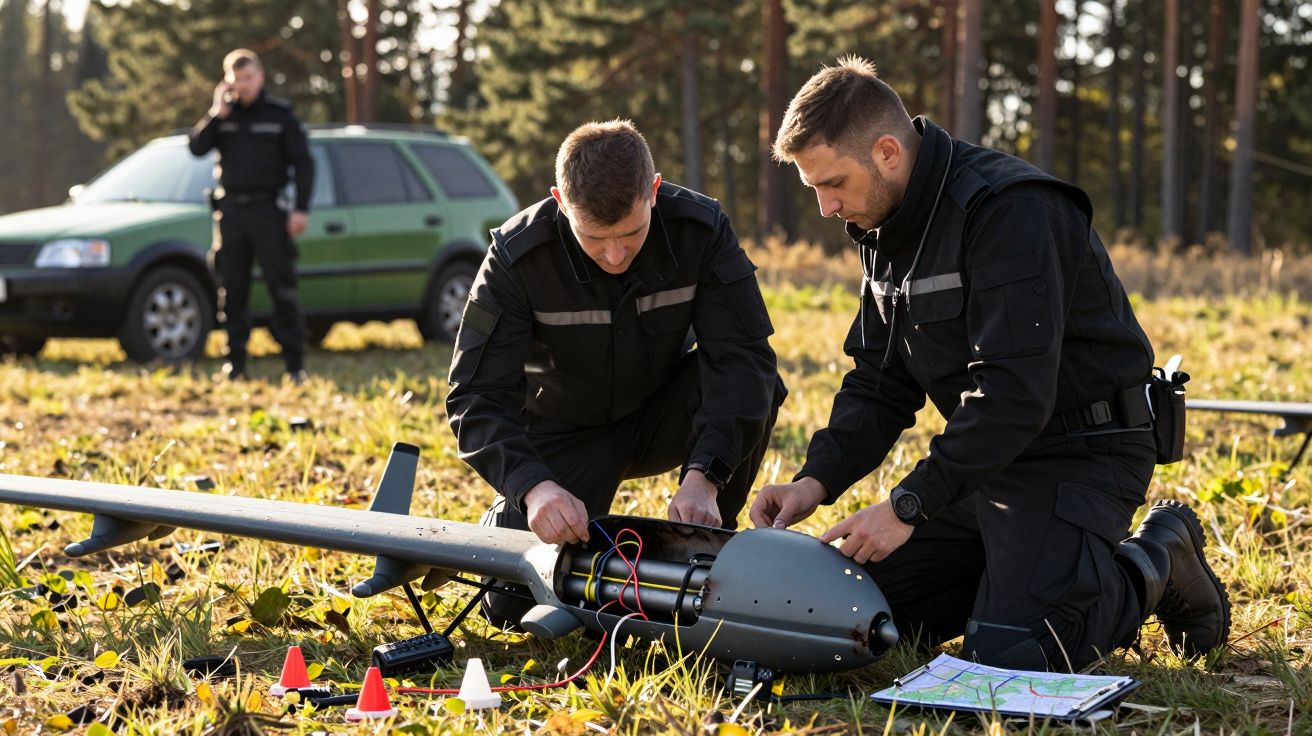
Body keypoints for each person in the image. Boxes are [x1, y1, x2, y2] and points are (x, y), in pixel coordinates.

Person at [749, 57, 1229, 670]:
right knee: (845, 615)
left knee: (1020, 652)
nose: (824, 207)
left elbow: (1015, 392)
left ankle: (1158, 556)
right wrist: (814, 481)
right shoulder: (886, 224)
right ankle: (1024, 575)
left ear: (888, 152)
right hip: (989, 464)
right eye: (815, 188)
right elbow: (879, 380)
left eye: (833, 183)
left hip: (1081, 450)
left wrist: (907, 507)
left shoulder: (1012, 210)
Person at [447, 120, 786, 627]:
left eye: (631, 233)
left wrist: (706, 477)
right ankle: (509, 516)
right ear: (560, 201)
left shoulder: (700, 229)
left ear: (654, 191)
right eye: (593, 237)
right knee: (512, 609)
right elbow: (474, 395)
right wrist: (532, 486)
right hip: (564, 432)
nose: (614, 254)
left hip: (662, 414)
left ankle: (714, 552)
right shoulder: (518, 257)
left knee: (759, 382)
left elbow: (744, 359)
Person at [189, 49, 313, 382]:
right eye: (235, 79)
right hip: (230, 213)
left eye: (247, 78)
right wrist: (217, 112)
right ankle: (235, 364)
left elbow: (304, 163)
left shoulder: (279, 115)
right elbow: (197, 147)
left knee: (282, 289)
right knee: (232, 290)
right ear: (227, 81)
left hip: (268, 211)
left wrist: (301, 209)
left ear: (259, 77)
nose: (242, 85)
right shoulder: (224, 117)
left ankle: (295, 365)